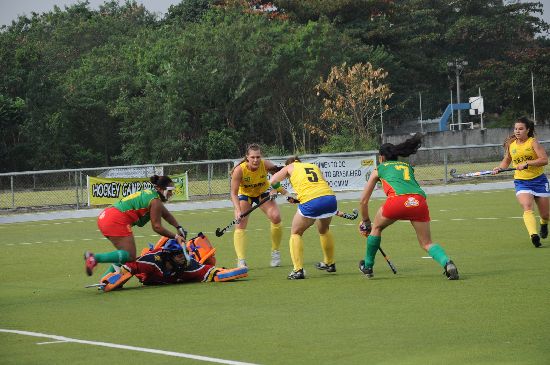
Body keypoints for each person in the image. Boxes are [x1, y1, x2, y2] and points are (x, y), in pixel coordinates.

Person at [358, 134, 459, 280]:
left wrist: (366, 221)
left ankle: (368, 266)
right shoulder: (408, 167)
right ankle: (447, 262)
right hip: (418, 201)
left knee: (376, 228)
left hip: (396, 202)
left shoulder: (379, 168)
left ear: (381, 158)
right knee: (426, 243)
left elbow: (363, 201)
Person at [84, 175, 188, 276]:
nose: (171, 193)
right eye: (169, 190)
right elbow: (157, 227)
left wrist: (178, 227)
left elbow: (165, 214)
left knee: (124, 253)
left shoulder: (153, 196)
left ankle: (107, 277)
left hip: (106, 216)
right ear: (159, 188)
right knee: (130, 256)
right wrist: (176, 236)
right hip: (116, 219)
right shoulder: (155, 201)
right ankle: (94, 258)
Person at [269, 156, 337, 280]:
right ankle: (330, 263)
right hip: (330, 198)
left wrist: (285, 193)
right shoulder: (313, 166)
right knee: (324, 230)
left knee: (295, 232)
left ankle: (298, 270)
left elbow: (273, 180)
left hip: (311, 201)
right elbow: (324, 184)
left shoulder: (289, 167)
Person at [97, 239, 248, 292]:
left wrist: (233, 272)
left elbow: (212, 272)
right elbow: (128, 269)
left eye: (184, 253)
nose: (183, 258)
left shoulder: (189, 265)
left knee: (210, 260)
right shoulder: (151, 261)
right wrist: (111, 281)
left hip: (158, 275)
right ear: (169, 256)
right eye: (179, 255)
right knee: (122, 259)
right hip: (143, 272)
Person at [492, 117, 549, 247]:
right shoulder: (511, 145)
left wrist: (527, 163)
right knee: (527, 206)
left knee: (545, 214)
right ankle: (533, 235)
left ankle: (544, 224)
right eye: (516, 129)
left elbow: (544, 160)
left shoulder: (533, 143)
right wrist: (499, 168)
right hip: (522, 181)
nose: (517, 131)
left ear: (527, 130)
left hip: (539, 181)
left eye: (521, 129)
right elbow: (507, 160)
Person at [230, 143, 283, 268]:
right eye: (253, 157)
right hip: (245, 195)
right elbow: (233, 193)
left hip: (262, 193)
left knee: (276, 217)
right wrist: (238, 211)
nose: (256, 160)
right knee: (240, 222)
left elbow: (281, 174)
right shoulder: (239, 170)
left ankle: (275, 252)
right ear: (247, 157)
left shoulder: (265, 164)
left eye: (258, 157)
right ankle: (241, 260)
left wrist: (274, 189)